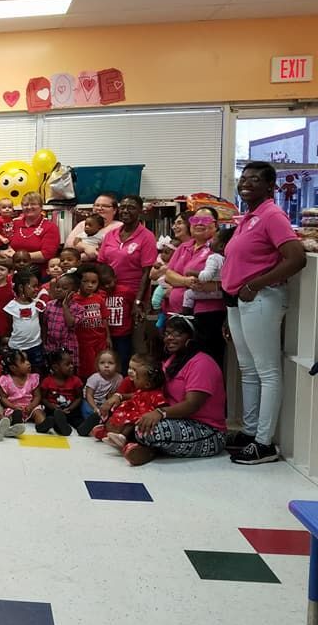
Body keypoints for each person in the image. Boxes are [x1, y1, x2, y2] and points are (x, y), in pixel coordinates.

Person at [222, 161, 307, 464]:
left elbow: (296, 258)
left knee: (267, 371)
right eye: (244, 178)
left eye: (255, 179)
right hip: (240, 302)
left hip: (261, 299)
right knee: (249, 370)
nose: (247, 183)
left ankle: (264, 442)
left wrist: (255, 284)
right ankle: (249, 431)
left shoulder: (272, 215)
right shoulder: (248, 217)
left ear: (270, 186)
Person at [121, 316, 227, 466]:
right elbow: (150, 392)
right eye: (167, 333)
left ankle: (146, 447)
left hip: (207, 431)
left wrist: (160, 413)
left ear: (191, 336)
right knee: (125, 413)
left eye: (177, 334)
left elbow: (192, 405)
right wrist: (120, 398)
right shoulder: (172, 361)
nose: (170, 338)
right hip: (176, 420)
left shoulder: (202, 363)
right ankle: (144, 448)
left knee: (150, 429)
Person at [163, 207, 229, 365]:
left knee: (206, 360)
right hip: (179, 314)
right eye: (195, 220)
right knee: (182, 362)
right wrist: (186, 282)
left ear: (215, 225)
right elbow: (169, 275)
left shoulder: (219, 249)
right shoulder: (184, 247)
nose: (199, 224)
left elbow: (226, 279)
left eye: (205, 220)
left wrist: (203, 284)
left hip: (208, 315)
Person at [97, 195, 158, 324]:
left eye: (131, 208)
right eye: (123, 207)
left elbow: (147, 273)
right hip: (110, 294)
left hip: (133, 296)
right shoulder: (110, 235)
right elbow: (101, 265)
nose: (125, 211)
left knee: (134, 340)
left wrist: (138, 301)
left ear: (140, 211)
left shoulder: (147, 237)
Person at [93, 353, 166, 447]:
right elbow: (128, 396)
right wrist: (118, 397)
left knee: (130, 422)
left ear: (147, 384)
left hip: (138, 415)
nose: (132, 373)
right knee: (115, 414)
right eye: (130, 368)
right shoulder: (135, 386)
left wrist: (159, 412)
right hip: (130, 410)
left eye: (135, 372)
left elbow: (162, 406)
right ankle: (105, 431)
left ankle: (122, 437)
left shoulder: (156, 394)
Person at [0, 191, 59, 272]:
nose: (29, 207)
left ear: (41, 207)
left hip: (38, 272)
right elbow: (0, 245)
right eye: (25, 204)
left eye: (33, 204)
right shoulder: (13, 223)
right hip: (12, 271)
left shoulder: (50, 227)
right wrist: (2, 252)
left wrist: (16, 257)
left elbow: (47, 254)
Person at [3, 270, 45, 376]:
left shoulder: (38, 304)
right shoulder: (11, 306)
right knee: (17, 372)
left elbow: (42, 323)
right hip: (17, 347)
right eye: (34, 286)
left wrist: (43, 341)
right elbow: (9, 326)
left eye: (38, 286)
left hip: (36, 345)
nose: (37, 289)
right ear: (21, 287)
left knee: (37, 371)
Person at [0, 348, 47, 431]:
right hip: (14, 408)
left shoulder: (33, 378)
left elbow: (37, 396)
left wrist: (32, 405)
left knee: (38, 412)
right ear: (13, 368)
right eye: (23, 361)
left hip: (30, 407)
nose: (28, 363)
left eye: (27, 360)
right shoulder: (5, 380)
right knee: (12, 414)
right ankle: (16, 423)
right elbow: (3, 398)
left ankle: (42, 425)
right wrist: (13, 407)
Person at [77, 348, 122, 436]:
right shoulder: (95, 378)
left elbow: (115, 395)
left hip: (105, 404)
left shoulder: (119, 378)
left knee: (115, 413)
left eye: (110, 363)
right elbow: (88, 395)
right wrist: (94, 407)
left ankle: (103, 425)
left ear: (117, 365)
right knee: (87, 410)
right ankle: (89, 425)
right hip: (91, 402)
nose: (106, 365)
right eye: (102, 363)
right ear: (97, 365)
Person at [39, 348, 84, 435]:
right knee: (51, 418)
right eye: (67, 364)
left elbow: (79, 397)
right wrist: (54, 408)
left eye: (72, 363)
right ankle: (53, 427)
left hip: (71, 410)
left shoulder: (76, 381)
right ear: (56, 367)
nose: (71, 366)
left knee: (77, 419)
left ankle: (83, 429)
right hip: (54, 410)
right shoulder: (47, 381)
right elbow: (43, 398)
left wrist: (70, 408)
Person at [64, 193, 122, 258]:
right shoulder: (82, 224)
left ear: (114, 210)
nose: (100, 208)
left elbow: (114, 249)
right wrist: (86, 247)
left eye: (105, 206)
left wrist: (81, 248)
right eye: (97, 205)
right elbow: (69, 246)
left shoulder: (119, 226)